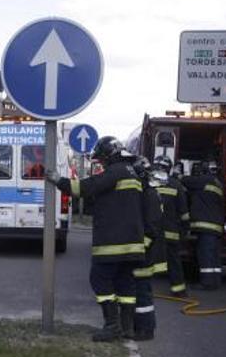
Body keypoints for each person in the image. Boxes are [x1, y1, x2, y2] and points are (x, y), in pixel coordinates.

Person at [47, 136, 144, 342]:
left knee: (99, 279)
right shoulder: (131, 172)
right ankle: (127, 328)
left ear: (109, 156)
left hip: (113, 242)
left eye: (102, 160)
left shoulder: (115, 172)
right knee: (125, 283)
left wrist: (58, 180)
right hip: (133, 243)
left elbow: (84, 188)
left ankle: (112, 326)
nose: (101, 163)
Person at [133, 157, 163, 341]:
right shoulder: (146, 192)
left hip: (144, 252)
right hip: (142, 251)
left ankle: (146, 330)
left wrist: (138, 248)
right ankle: (139, 326)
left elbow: (152, 228)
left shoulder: (149, 194)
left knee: (142, 292)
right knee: (139, 290)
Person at [182, 160, 225, 290]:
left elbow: (186, 181)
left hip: (206, 226)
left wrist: (178, 175)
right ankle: (215, 281)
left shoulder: (203, 180)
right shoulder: (218, 183)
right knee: (214, 256)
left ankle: (206, 283)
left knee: (205, 254)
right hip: (216, 226)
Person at [152, 155, 190, 297]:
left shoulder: (147, 183)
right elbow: (184, 212)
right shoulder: (176, 184)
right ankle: (178, 290)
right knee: (174, 262)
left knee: (146, 261)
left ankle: (140, 290)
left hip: (152, 232)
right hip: (171, 233)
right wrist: (185, 230)